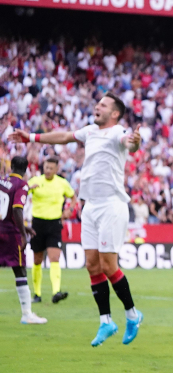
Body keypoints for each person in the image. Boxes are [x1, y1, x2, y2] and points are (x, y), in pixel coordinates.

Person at [11, 92, 144, 346]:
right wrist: (32, 137)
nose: (98, 106)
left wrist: (135, 141)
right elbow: (63, 136)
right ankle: (106, 321)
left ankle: (132, 315)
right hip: (90, 206)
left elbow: (131, 143)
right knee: (92, 265)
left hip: (111, 206)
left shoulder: (118, 132)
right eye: (98, 103)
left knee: (108, 265)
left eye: (103, 105)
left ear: (114, 114)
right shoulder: (90, 131)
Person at [0, 156, 47, 324]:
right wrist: (22, 232)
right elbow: (17, 209)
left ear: (11, 166)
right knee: (20, 270)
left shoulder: (2, 182)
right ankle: (27, 314)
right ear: (26, 169)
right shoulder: (22, 184)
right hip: (10, 234)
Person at [27, 156, 74, 304]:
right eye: (46, 167)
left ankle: (56, 292)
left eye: (50, 168)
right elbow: (21, 193)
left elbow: (73, 197)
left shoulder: (62, 183)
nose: (47, 170)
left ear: (56, 169)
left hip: (54, 224)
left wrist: (69, 211)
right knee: (37, 259)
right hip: (38, 223)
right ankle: (37, 294)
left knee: (55, 257)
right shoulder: (35, 181)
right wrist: (28, 188)